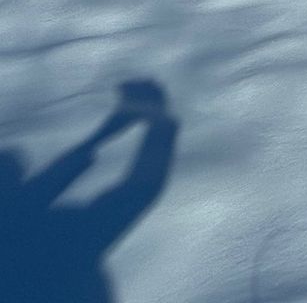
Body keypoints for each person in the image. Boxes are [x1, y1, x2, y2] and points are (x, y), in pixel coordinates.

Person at [0, 79, 178, 303]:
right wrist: (158, 125)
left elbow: (38, 191)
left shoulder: (15, 215)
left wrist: (108, 131)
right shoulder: (52, 239)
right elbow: (138, 191)